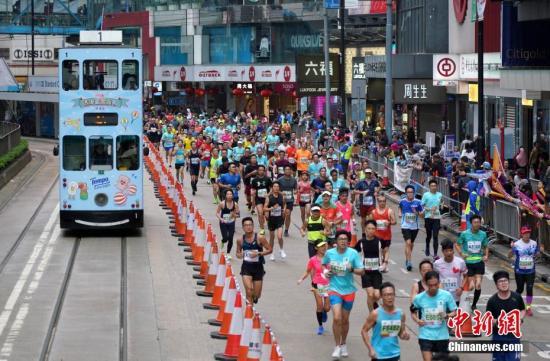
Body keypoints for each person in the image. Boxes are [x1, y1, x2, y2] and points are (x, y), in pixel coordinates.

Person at [323, 230, 365, 360]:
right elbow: (324, 264)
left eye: (345, 239)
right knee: (337, 318)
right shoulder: (330, 253)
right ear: (336, 241)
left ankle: (343, 343)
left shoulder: (352, 254)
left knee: (345, 320)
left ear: (348, 241)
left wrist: (351, 269)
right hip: (334, 289)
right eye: (340, 239)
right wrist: (326, 272)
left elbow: (362, 271)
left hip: (349, 291)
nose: (343, 241)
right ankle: (337, 347)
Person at [411, 271, 457, 361]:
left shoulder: (446, 295)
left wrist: (447, 315)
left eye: (435, 284)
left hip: (442, 335)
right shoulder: (419, 298)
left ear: (439, 283)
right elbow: (413, 311)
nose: (433, 287)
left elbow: (454, 312)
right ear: (426, 284)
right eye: (430, 285)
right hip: (425, 335)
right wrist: (417, 320)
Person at [361, 282, 410, 361]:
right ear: (381, 296)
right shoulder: (375, 314)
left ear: (395, 295)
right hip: (378, 356)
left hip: (395, 354)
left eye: (391, 294)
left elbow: (401, 334)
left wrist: (405, 335)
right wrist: (370, 349)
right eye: (386, 295)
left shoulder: (401, 314)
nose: (389, 297)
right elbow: (364, 331)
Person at [486, 271, 525, 361]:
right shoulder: (492, 301)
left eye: (505, 280)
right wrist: (500, 321)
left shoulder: (517, 297)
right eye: (500, 281)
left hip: (514, 337)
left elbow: (522, 310)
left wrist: (520, 318)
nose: (504, 283)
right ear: (496, 285)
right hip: (498, 337)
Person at [297, 239, 331, 335]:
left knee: (327, 308)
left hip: (329, 285)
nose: (323, 247)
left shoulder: (330, 257)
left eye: (324, 245)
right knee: (319, 305)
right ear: (316, 248)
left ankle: (324, 311)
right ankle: (320, 326)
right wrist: (301, 279)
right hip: (317, 284)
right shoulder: (313, 260)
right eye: (321, 246)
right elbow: (308, 271)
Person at [455, 214, 489, 310]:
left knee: (478, 285)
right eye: (475, 222)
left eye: (478, 222)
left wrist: (486, 256)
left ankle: (474, 304)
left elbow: (486, 246)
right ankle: (463, 300)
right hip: (468, 262)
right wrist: (461, 253)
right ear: (471, 223)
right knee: (471, 286)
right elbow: (457, 244)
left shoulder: (483, 234)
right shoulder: (465, 234)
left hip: (479, 261)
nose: (477, 224)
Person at [509, 226, 544, 316]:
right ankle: (515, 305)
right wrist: (511, 248)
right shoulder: (517, 244)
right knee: (520, 289)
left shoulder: (534, 243)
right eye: (525, 233)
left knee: (529, 289)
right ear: (522, 234)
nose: (527, 235)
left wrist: (540, 252)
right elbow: (509, 256)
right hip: (519, 271)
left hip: (530, 271)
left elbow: (537, 255)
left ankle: (528, 308)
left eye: (528, 233)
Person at [237, 217, 272, 304]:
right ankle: (249, 314)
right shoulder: (240, 240)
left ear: (253, 226)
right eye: (246, 225)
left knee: (257, 295)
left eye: (250, 225)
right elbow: (237, 253)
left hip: (258, 268)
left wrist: (258, 254)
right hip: (246, 268)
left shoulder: (260, 238)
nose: (248, 227)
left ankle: (254, 298)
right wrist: (240, 255)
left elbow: (270, 249)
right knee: (249, 290)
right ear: (243, 227)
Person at [354, 220, 383, 312]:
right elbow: (354, 253)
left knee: (377, 295)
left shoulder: (379, 241)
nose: (371, 230)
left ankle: (374, 303)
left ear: (375, 229)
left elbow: (386, 250)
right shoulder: (361, 242)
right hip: (365, 272)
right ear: (365, 229)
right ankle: (372, 313)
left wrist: (385, 262)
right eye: (369, 228)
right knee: (370, 294)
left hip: (377, 271)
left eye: (373, 228)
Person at [434, 239, 467, 306]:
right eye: (446, 251)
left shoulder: (460, 262)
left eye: (450, 250)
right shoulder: (437, 263)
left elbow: (466, 276)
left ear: (453, 251)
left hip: (455, 295)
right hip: (442, 295)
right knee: (442, 315)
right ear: (443, 252)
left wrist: (461, 288)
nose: (449, 253)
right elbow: (434, 278)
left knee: (454, 315)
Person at [399, 185, 424, 271]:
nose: (410, 194)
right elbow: (400, 208)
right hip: (405, 225)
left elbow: (422, 215)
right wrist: (399, 213)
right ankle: (409, 262)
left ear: (414, 193)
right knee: (408, 243)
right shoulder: (402, 201)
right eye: (408, 192)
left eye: (411, 192)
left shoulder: (418, 202)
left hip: (415, 226)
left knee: (411, 244)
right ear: (406, 193)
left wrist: (416, 212)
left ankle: (407, 258)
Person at [370, 194, 396, 273]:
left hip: (386, 235)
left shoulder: (389, 211)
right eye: (380, 201)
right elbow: (370, 223)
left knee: (386, 250)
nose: (382, 203)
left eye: (383, 201)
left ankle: (384, 264)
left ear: (385, 202)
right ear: (378, 202)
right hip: (377, 235)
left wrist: (389, 223)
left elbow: (394, 221)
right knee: (379, 250)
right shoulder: (374, 212)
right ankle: (381, 264)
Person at [354, 169, 380, 236]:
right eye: (366, 173)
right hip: (363, 203)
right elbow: (354, 191)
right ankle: (363, 233)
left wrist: (376, 192)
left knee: (371, 218)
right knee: (363, 219)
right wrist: (362, 192)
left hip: (372, 203)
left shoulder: (374, 182)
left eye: (369, 173)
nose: (368, 174)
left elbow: (379, 187)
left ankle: (371, 232)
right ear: (365, 174)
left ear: (371, 174)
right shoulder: (361, 182)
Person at [421, 179, 443, 259]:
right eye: (432, 186)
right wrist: (430, 209)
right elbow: (422, 205)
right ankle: (427, 246)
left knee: (435, 236)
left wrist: (441, 206)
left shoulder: (440, 195)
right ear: (429, 187)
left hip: (437, 218)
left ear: (437, 186)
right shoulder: (426, 195)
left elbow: (441, 205)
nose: (433, 187)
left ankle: (435, 254)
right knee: (429, 235)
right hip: (428, 217)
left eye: (435, 186)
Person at [265, 181, 286, 260]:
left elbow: (284, 204)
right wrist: (271, 208)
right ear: (272, 188)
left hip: (279, 218)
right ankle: (271, 252)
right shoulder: (268, 197)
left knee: (279, 236)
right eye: (274, 186)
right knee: (272, 237)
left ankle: (281, 250)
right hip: (271, 219)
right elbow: (264, 208)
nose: (276, 188)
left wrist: (284, 210)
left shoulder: (282, 196)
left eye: (277, 186)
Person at [217, 189, 239, 259]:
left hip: (231, 223)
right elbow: (217, 213)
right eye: (228, 194)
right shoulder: (222, 203)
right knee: (225, 238)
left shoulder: (235, 204)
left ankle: (228, 253)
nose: (229, 196)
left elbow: (238, 214)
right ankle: (223, 241)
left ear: (232, 195)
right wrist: (221, 219)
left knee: (231, 238)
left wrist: (234, 215)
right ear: (225, 196)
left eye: (231, 194)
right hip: (223, 222)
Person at [250, 165, 272, 232]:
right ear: (257, 171)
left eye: (262, 170)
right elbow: (253, 189)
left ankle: (268, 222)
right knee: (260, 213)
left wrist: (268, 194)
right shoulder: (254, 180)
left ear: (264, 171)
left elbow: (271, 188)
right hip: (258, 199)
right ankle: (262, 229)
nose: (261, 171)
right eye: (260, 170)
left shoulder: (267, 179)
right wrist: (252, 192)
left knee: (267, 216)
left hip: (266, 199)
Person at [278, 165, 298, 237]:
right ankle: (280, 226)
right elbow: (276, 189)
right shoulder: (280, 180)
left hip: (290, 200)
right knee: (282, 215)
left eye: (289, 169)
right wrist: (281, 193)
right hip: (281, 200)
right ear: (284, 171)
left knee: (288, 214)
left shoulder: (293, 180)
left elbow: (296, 188)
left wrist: (295, 191)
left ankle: (286, 230)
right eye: (286, 169)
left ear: (291, 171)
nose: (288, 171)